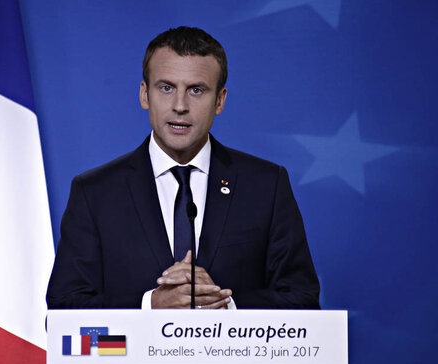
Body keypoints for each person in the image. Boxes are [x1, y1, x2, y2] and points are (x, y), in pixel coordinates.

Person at [46, 27, 320, 310]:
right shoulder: (95, 192)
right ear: (144, 95)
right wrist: (149, 306)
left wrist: (225, 305)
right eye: (166, 88)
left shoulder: (265, 185)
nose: (180, 106)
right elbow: (63, 309)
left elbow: (303, 301)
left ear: (220, 101)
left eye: (196, 90)